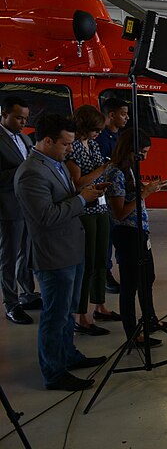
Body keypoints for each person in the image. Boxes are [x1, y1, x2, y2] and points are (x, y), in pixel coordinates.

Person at [14, 114, 106, 391]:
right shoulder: (31, 173)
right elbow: (46, 216)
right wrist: (81, 199)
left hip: (71, 247)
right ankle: (54, 372)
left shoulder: (56, 164)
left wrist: (86, 192)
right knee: (55, 315)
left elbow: (66, 197)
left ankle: (67, 355)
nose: (70, 149)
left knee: (67, 312)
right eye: (66, 144)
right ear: (47, 140)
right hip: (53, 254)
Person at [104, 129, 167, 346]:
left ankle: (149, 318)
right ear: (128, 150)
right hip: (127, 232)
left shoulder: (129, 169)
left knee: (147, 276)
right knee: (129, 285)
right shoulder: (115, 172)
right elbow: (119, 212)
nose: (145, 158)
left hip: (140, 230)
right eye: (141, 153)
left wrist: (150, 188)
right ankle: (131, 333)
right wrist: (145, 193)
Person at [65, 105, 115, 336]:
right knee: (86, 262)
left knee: (100, 260)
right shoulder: (73, 147)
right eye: (95, 130)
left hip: (101, 205)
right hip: (85, 209)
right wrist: (102, 169)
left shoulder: (93, 145)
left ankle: (99, 304)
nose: (98, 134)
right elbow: (78, 182)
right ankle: (80, 314)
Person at [0, 96, 42, 324]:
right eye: (18, 118)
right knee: (8, 256)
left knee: (26, 253)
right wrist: (22, 170)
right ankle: (11, 303)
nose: (22, 122)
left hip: (28, 206)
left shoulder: (25, 139)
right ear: (4, 114)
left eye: (25, 118)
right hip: (8, 208)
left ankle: (27, 293)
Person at [96, 97, 128, 295]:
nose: (126, 118)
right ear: (111, 115)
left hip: (120, 189)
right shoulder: (100, 139)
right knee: (106, 235)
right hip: (105, 194)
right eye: (123, 114)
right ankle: (105, 272)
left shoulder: (121, 137)